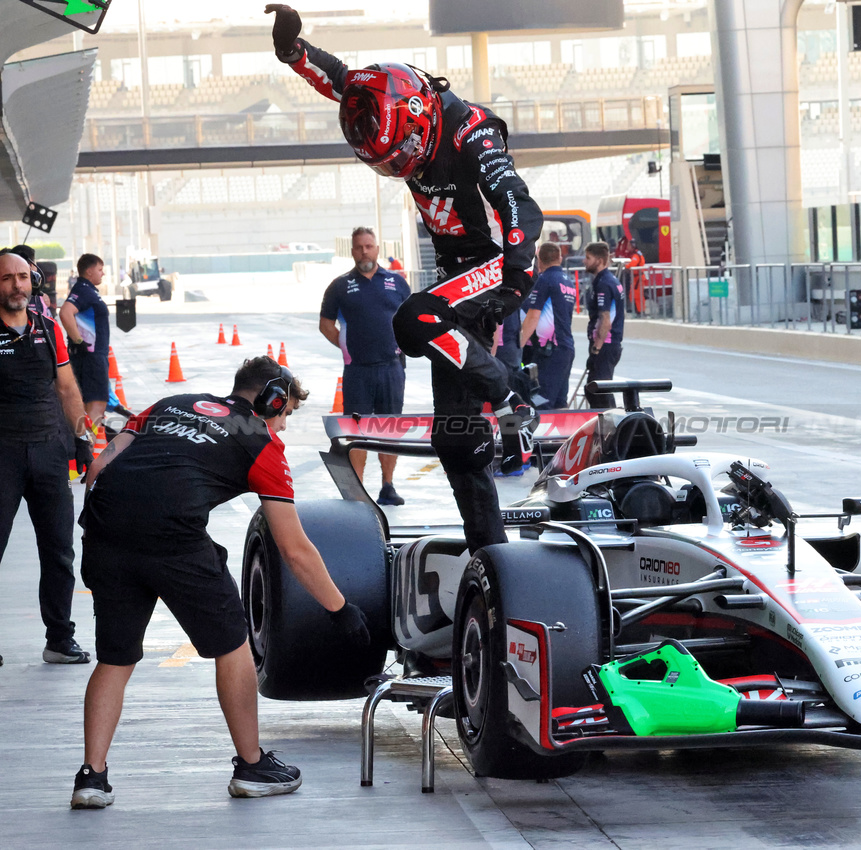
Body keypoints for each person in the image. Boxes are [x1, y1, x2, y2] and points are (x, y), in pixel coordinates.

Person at [268, 4, 542, 552]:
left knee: (412, 318)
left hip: (500, 264)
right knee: (454, 439)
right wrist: (293, 52)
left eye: (405, 154)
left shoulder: (472, 133)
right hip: (456, 282)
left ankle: (513, 393)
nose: (402, 168)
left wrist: (513, 270)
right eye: (388, 163)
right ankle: (490, 553)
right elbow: (343, 81)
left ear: (421, 115)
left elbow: (516, 200)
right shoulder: (386, 97)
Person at [70, 357, 371, 809]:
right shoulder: (261, 442)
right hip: (174, 540)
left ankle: (91, 779)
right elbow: (294, 548)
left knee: (115, 658)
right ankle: (251, 766)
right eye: (285, 413)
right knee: (233, 646)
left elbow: (98, 471)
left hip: (106, 533)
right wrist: (339, 609)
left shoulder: (169, 403)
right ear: (271, 398)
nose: (284, 426)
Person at [0, 250, 94, 669]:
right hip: (2, 457)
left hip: (49, 454)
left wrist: (83, 440)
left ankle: (59, 639)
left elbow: (68, 389)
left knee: (59, 551)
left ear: (32, 281)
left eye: (22, 277)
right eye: (6, 279)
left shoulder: (49, 327)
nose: (16, 285)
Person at [319, 226, 411, 506]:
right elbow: (325, 325)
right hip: (357, 370)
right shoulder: (340, 286)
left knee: (389, 428)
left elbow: (411, 321)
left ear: (378, 249)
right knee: (356, 430)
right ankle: (358, 492)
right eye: (359, 247)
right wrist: (347, 347)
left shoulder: (397, 282)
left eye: (369, 246)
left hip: (391, 368)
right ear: (352, 251)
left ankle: (388, 486)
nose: (364, 251)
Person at [520, 241, 577, 409]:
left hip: (549, 351)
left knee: (541, 402)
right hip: (566, 348)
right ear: (559, 258)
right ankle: (562, 436)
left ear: (539, 260)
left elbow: (533, 316)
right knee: (560, 403)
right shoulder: (568, 281)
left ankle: (541, 436)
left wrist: (519, 344)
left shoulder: (544, 280)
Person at [60, 253, 111, 425]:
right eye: (100, 269)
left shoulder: (85, 290)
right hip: (91, 356)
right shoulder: (84, 290)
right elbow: (65, 312)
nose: (102, 273)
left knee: (88, 404)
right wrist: (79, 341)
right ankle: (90, 447)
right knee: (96, 404)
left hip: (90, 356)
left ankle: (85, 445)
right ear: (89, 271)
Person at [583, 242, 624, 408]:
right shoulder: (609, 280)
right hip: (609, 344)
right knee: (595, 390)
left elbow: (605, 319)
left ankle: (613, 428)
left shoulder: (604, 284)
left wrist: (596, 348)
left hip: (605, 345)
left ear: (599, 260)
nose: (584, 261)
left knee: (598, 391)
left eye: (588, 258)